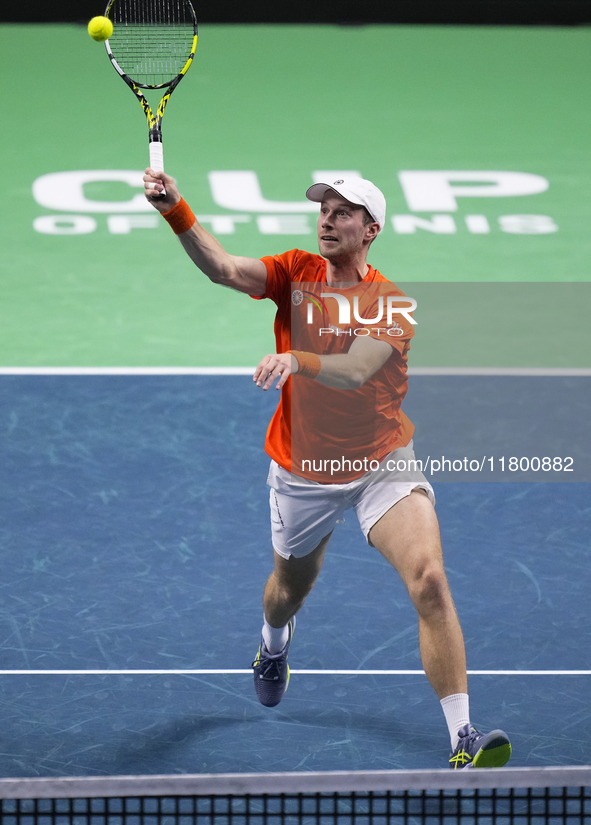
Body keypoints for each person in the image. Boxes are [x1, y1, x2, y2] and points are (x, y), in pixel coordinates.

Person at [143, 167, 512, 770]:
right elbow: (224, 269)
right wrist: (175, 209)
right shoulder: (294, 272)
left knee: (430, 581)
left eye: (343, 212)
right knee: (288, 591)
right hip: (303, 472)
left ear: (372, 229)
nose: (326, 219)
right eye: (324, 209)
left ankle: (462, 737)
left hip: (380, 462)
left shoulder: (390, 303)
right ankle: (272, 646)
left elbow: (356, 368)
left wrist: (295, 358)